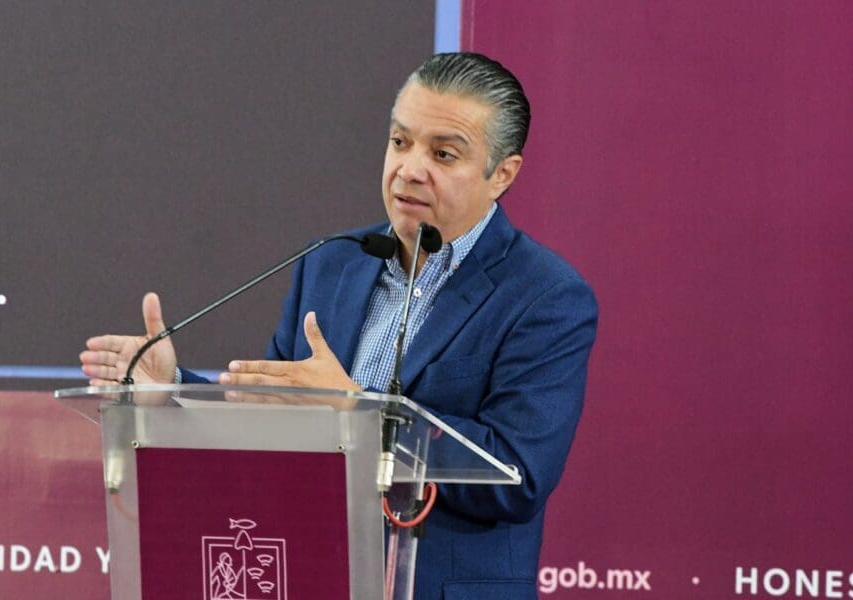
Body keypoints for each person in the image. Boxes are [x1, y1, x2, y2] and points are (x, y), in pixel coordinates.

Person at [81, 52, 598, 600]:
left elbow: (518, 475)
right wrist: (172, 390)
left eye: (443, 154)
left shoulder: (545, 297)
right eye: (400, 142)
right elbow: (267, 418)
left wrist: (357, 412)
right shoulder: (330, 264)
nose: (410, 169)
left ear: (502, 174)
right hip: (314, 577)